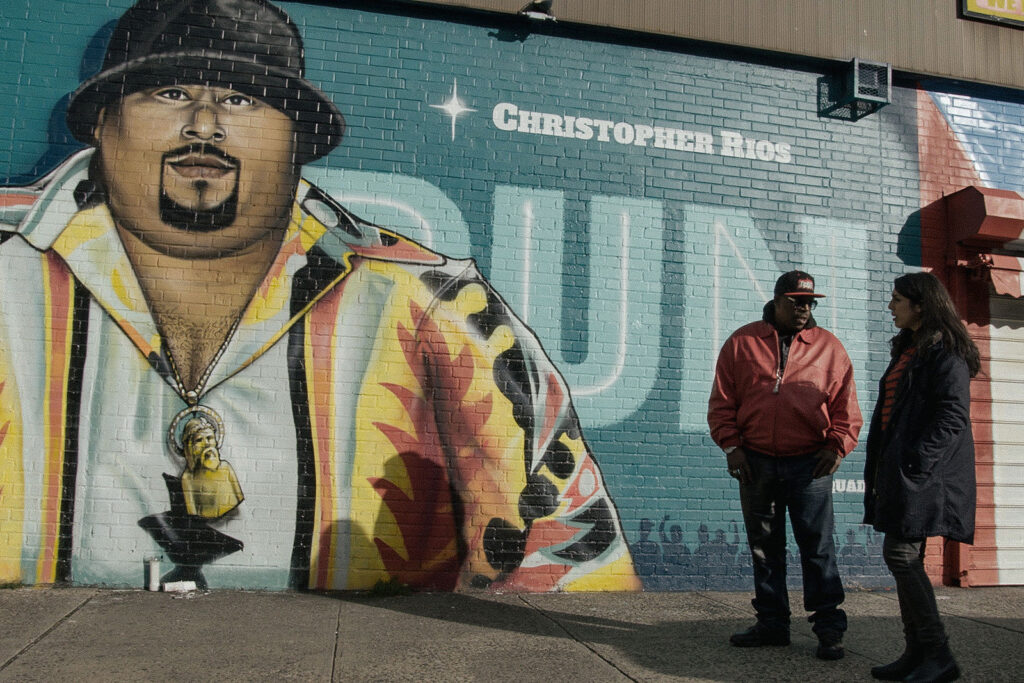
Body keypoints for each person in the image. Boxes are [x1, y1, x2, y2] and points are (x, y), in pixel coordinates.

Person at [0, 0, 639, 592]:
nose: (204, 125)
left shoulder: (429, 302)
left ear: (297, 141)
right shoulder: (8, 264)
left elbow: (565, 555)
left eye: (241, 100)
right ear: (102, 122)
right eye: (170, 94)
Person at [708, 270, 862, 660]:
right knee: (764, 548)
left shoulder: (829, 348)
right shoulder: (742, 342)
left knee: (817, 547)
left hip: (810, 465)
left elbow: (846, 407)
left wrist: (837, 447)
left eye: (809, 302)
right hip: (755, 463)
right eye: (796, 301)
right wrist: (732, 447)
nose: (804, 308)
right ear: (776, 301)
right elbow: (723, 402)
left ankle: (829, 628)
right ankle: (772, 624)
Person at [864, 272, 979, 682]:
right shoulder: (910, 349)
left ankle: (938, 654)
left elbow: (952, 417)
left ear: (921, 305)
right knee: (905, 556)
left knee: (900, 555)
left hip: (925, 476)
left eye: (897, 299)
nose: (890, 306)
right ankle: (916, 653)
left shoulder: (945, 352)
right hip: (904, 473)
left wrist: (916, 462)